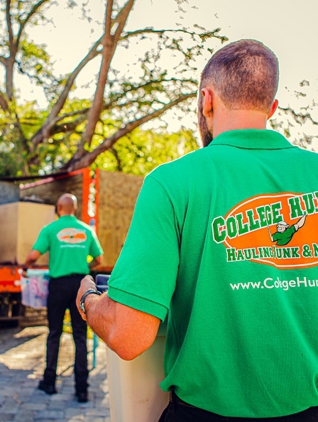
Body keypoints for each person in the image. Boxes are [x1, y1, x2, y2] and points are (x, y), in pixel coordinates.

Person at [76, 39, 318, 420]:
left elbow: (128, 334)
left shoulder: (172, 182)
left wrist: (88, 299)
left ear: (207, 100)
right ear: (271, 107)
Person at [24, 193, 103, 403]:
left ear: (59, 207)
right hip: (80, 286)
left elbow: (33, 256)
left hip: (58, 286)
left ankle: (49, 382)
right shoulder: (87, 230)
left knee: (54, 333)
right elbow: (100, 259)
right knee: (79, 335)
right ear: (74, 209)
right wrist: (85, 268)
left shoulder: (50, 229)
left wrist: (25, 267)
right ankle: (82, 390)